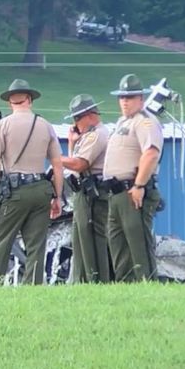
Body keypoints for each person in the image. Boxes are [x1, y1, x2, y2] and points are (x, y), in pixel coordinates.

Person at [0, 79, 64, 284]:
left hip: (15, 192)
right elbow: (57, 165)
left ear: (11, 101)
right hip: (41, 190)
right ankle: (33, 288)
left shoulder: (3, 126)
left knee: (1, 241)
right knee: (36, 244)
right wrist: (58, 197)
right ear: (29, 100)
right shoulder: (45, 126)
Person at [102, 74, 164, 282]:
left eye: (130, 97)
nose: (125, 102)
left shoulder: (145, 122)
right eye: (122, 97)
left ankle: (146, 282)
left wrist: (139, 184)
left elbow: (151, 153)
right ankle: (126, 284)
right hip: (116, 192)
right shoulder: (122, 122)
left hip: (133, 190)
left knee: (138, 244)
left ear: (141, 99)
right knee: (119, 243)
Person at [61, 94, 111, 283]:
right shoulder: (88, 136)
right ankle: (83, 279)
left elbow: (79, 164)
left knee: (90, 239)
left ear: (89, 115)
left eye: (77, 119)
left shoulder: (97, 135)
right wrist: (73, 143)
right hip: (82, 191)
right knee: (81, 239)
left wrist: (54, 157)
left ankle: (94, 279)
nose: (76, 124)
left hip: (93, 194)